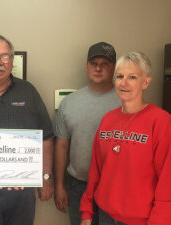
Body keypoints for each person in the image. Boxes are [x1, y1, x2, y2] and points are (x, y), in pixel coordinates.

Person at [0, 34, 54, 225]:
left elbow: (46, 137)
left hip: (22, 193)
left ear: (12, 61)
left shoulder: (28, 91)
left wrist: (45, 178)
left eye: (5, 56)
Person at [80, 52, 171, 225]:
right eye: (120, 76)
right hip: (104, 214)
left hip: (142, 220)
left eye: (132, 77)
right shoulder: (108, 119)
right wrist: (87, 211)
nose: (124, 83)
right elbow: (96, 170)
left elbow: (168, 182)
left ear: (146, 82)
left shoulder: (161, 122)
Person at [53, 42, 120, 225]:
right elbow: (61, 145)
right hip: (79, 186)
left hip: (117, 189)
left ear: (114, 67)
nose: (98, 68)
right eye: (93, 63)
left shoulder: (126, 101)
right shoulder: (70, 102)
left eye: (105, 63)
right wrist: (59, 185)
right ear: (86, 66)